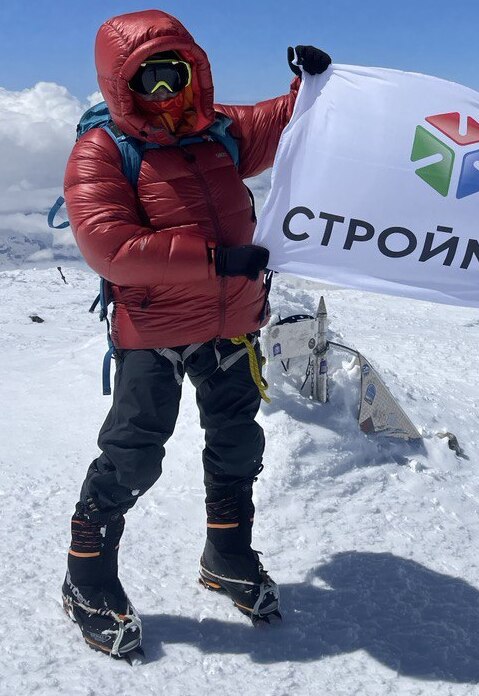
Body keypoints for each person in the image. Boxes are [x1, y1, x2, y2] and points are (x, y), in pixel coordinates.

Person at [60, 9, 331, 658]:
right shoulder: (103, 149)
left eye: (174, 74)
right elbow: (108, 245)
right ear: (121, 84)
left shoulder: (219, 132)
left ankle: (228, 555)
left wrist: (311, 88)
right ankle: (87, 580)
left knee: (237, 444)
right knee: (133, 455)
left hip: (231, 326)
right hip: (154, 329)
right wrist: (213, 260)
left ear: (194, 71)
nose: (164, 92)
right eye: (148, 79)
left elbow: (278, 124)